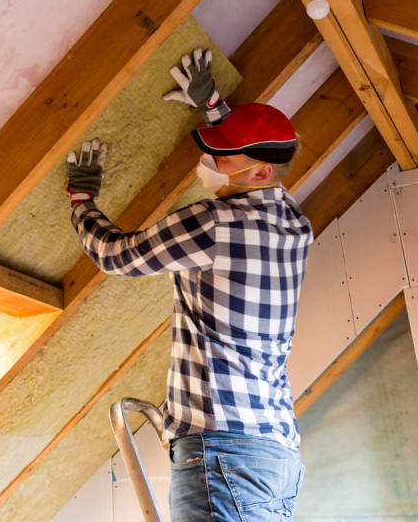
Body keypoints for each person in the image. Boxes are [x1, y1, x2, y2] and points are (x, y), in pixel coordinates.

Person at [65, 48, 313, 521]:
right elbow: (263, 160)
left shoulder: (214, 223)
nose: (208, 158)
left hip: (224, 452)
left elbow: (117, 256)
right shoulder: (295, 223)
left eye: (222, 153)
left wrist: (81, 200)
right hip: (275, 453)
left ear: (259, 172)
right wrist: (214, 109)